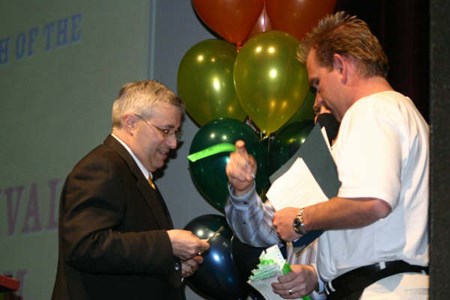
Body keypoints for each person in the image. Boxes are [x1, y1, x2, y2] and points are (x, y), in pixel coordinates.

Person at [227, 11, 429, 300]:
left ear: (340, 66)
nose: (319, 99)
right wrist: (317, 275)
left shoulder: (370, 110)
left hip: (382, 287)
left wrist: (300, 219)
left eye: (317, 84)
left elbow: (372, 203)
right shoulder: (403, 112)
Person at [51, 80, 209, 300]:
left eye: (176, 133)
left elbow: (122, 264)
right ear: (131, 123)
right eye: (165, 131)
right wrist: (167, 244)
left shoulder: (132, 173)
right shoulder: (102, 167)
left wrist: (173, 268)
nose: (173, 144)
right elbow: (85, 246)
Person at [225, 107, 339, 300]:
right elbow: (258, 232)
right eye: (317, 108)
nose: (320, 106)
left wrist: (318, 276)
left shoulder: (367, 167)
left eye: (327, 104)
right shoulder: (309, 164)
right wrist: (243, 191)